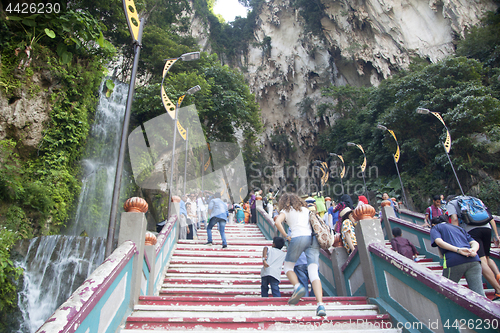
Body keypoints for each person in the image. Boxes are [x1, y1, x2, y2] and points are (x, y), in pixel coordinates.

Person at [274, 193, 326, 317]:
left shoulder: (286, 210)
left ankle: (298, 287)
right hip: (312, 240)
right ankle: (320, 305)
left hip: (298, 238)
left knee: (288, 267)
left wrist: (286, 236)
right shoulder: (306, 210)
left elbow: (277, 222)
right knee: (313, 272)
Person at [446, 196, 500, 301]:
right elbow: (490, 217)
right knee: (487, 258)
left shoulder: (451, 203)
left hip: (472, 230)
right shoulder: (475, 199)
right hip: (486, 229)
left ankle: (498, 290)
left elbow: (454, 219)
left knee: (481, 261)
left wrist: (456, 236)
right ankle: (498, 275)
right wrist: (496, 235)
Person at [429, 215, 485, 297]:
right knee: (479, 294)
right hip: (473, 260)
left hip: (454, 261)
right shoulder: (458, 228)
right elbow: (475, 242)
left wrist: (458, 250)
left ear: (433, 224)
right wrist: (473, 250)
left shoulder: (435, 228)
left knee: (446, 292)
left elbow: (439, 242)